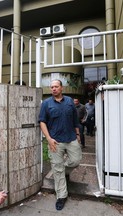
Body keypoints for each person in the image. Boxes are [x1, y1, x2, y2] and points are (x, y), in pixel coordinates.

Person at [38, 79, 82, 211]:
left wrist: (78, 134)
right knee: (57, 169)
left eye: (56, 86)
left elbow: (75, 120)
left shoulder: (69, 101)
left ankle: (63, 172)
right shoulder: (46, 104)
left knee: (76, 160)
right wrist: (49, 139)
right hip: (55, 142)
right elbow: (42, 122)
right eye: (51, 87)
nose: (53, 89)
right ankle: (61, 196)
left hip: (71, 138)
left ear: (62, 88)